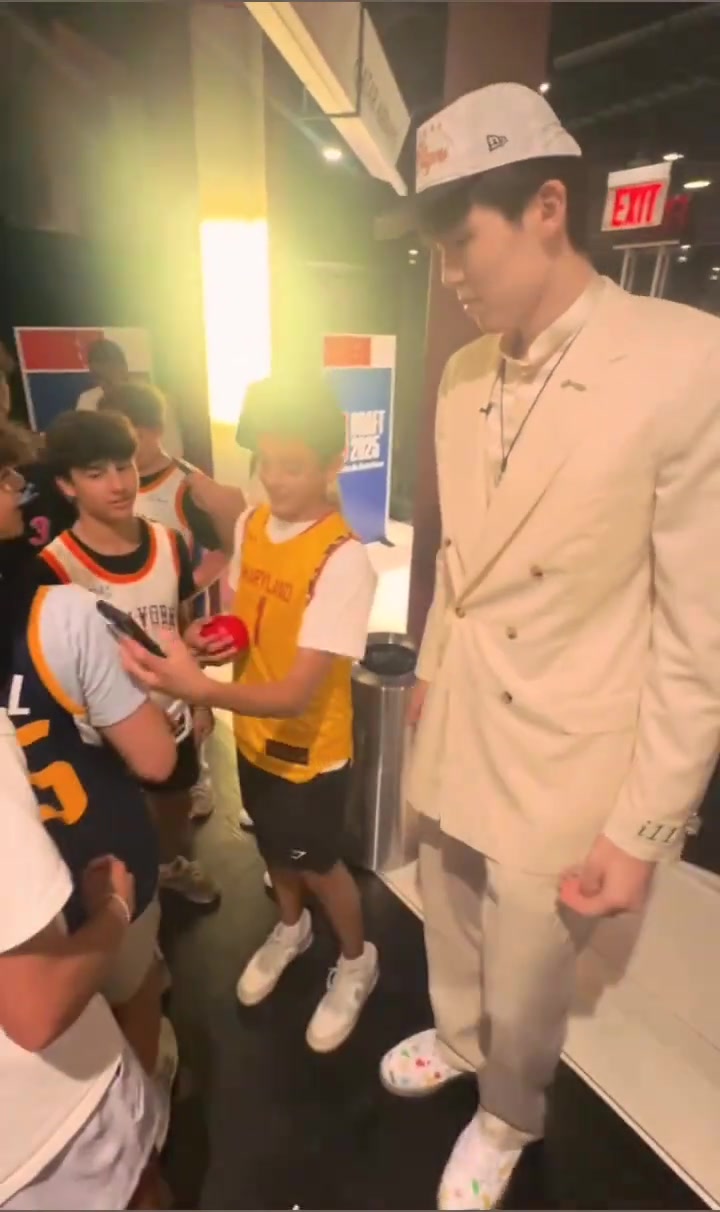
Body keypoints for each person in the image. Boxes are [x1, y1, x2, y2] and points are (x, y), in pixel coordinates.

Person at [372, 83, 720, 1208]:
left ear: (548, 208)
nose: (449, 275)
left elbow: (699, 630)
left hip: (570, 739)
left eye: (460, 241)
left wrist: (647, 822)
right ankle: (460, 1039)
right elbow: (460, 554)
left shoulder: (687, 360)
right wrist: (432, 667)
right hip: (464, 706)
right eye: (435, 250)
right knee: (446, 901)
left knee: (530, 959)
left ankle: (509, 1109)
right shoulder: (464, 372)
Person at [119, 372, 380, 1054]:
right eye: (266, 462)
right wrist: (213, 641)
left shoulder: (343, 560)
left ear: (332, 464)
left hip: (310, 748)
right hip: (254, 734)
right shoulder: (251, 523)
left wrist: (198, 690)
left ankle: (358, 960)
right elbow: (245, 621)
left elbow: (296, 693)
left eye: (293, 466)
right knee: (272, 846)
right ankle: (291, 928)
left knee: (318, 863)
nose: (275, 480)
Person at [0, 425, 169, 1210]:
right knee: (132, 982)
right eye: (7, 479)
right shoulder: (61, 605)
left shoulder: (161, 541)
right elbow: (157, 759)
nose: (16, 492)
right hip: (94, 862)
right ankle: (152, 1104)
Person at [37, 410, 221, 909]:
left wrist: (199, 697)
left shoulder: (168, 541)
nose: (118, 484)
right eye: (96, 474)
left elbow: (177, 623)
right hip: (104, 736)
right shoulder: (54, 567)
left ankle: (170, 866)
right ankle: (132, 909)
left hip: (174, 716)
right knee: (118, 829)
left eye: (124, 466)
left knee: (175, 805)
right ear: (67, 484)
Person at [98, 381, 247, 819]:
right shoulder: (111, 484)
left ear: (153, 430)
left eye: (127, 435)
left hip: (180, 618)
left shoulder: (187, 485)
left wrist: (182, 586)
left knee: (188, 698)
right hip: (129, 614)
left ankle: (197, 776)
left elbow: (224, 549)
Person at [76, 338, 129, 413]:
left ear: (122, 370)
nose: (102, 384)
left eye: (107, 381)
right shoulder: (86, 399)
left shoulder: (140, 399)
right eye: (97, 378)